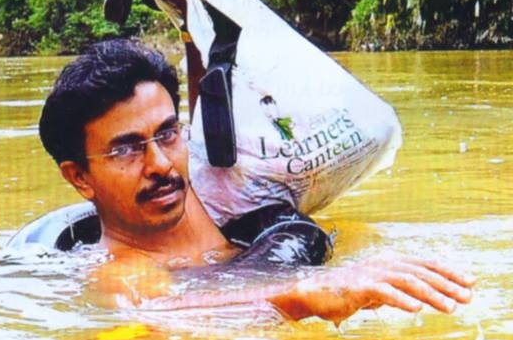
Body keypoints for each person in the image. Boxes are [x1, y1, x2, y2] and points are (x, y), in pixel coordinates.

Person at [37, 35, 474, 324]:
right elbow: (164, 311)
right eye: (126, 149)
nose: (160, 164)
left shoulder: (207, 191)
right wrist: (311, 291)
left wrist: (187, 2)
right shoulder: (123, 270)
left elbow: (215, 107)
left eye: (167, 133)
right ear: (80, 178)